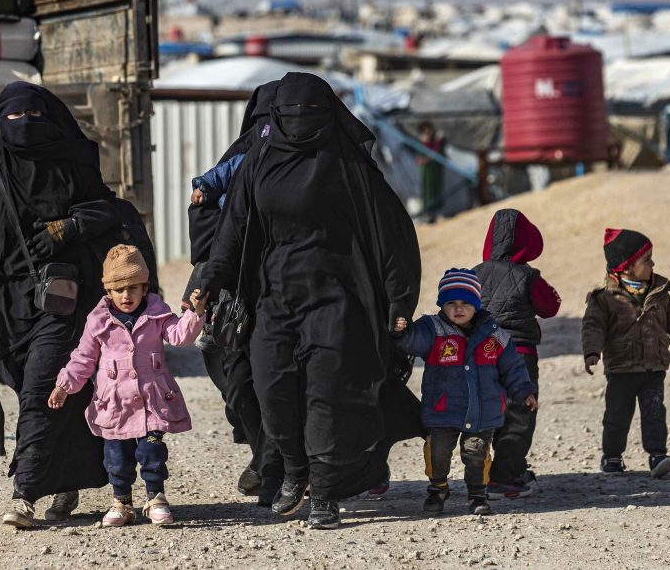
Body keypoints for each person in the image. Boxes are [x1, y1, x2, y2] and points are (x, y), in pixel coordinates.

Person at [200, 72, 422, 530]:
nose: (302, 120)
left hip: (338, 298)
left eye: (313, 111)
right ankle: (293, 470)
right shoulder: (258, 161)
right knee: (272, 387)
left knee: (328, 395)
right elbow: (234, 228)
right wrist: (211, 281)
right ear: (277, 116)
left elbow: (391, 236)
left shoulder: (349, 165)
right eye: (293, 111)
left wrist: (399, 301)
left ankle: (323, 492)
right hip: (273, 297)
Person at [0, 82, 137, 528]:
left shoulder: (73, 170)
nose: (24, 127)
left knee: (38, 394)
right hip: (10, 311)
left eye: (34, 117)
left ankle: (24, 494)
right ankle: (65, 479)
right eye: (13, 118)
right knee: (49, 393)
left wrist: (70, 226)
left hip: (68, 305)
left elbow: (113, 211)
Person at [48, 245, 207, 526]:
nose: (126, 295)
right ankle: (121, 501)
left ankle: (155, 497)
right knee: (116, 457)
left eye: (133, 288)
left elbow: (180, 336)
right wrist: (64, 385)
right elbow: (83, 358)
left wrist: (195, 313)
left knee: (152, 451)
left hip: (152, 403)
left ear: (145, 287)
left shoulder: (158, 314)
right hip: (114, 404)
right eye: (119, 289)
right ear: (108, 291)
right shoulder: (98, 322)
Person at [184, 83, 283, 506]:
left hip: (281, 285)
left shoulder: (313, 164)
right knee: (226, 364)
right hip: (226, 283)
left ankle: (274, 463)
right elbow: (204, 227)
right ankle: (263, 451)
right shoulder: (238, 161)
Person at [393, 269, 538, 516]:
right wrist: (400, 330)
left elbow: (513, 367)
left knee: (476, 453)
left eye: (465, 303)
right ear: (442, 305)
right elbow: (410, 340)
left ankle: (477, 494)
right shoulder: (433, 329)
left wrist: (524, 391)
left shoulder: (495, 335)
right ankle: (437, 488)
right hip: (443, 408)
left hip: (483, 410)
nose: (458, 308)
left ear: (476, 304)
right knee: (437, 451)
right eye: (451, 303)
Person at [581, 229, 670, 477]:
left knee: (655, 413)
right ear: (627, 267)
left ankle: (657, 455)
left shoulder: (660, 292)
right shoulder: (605, 298)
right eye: (647, 260)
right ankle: (612, 457)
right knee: (617, 417)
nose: (653, 264)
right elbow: (593, 327)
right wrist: (592, 352)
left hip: (654, 367)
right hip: (621, 369)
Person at [473, 209, 560, 500]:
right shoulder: (528, 276)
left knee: (486, 412)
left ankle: (481, 474)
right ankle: (505, 478)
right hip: (518, 355)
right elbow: (550, 307)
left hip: (482, 355)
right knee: (518, 415)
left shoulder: (475, 273)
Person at [415, 121, 446, 223]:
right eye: (425, 131)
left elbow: (439, 154)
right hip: (427, 173)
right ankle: (429, 214)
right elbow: (421, 160)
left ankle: (437, 213)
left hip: (435, 171)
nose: (428, 133)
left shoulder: (434, 143)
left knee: (436, 190)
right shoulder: (421, 144)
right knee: (428, 192)